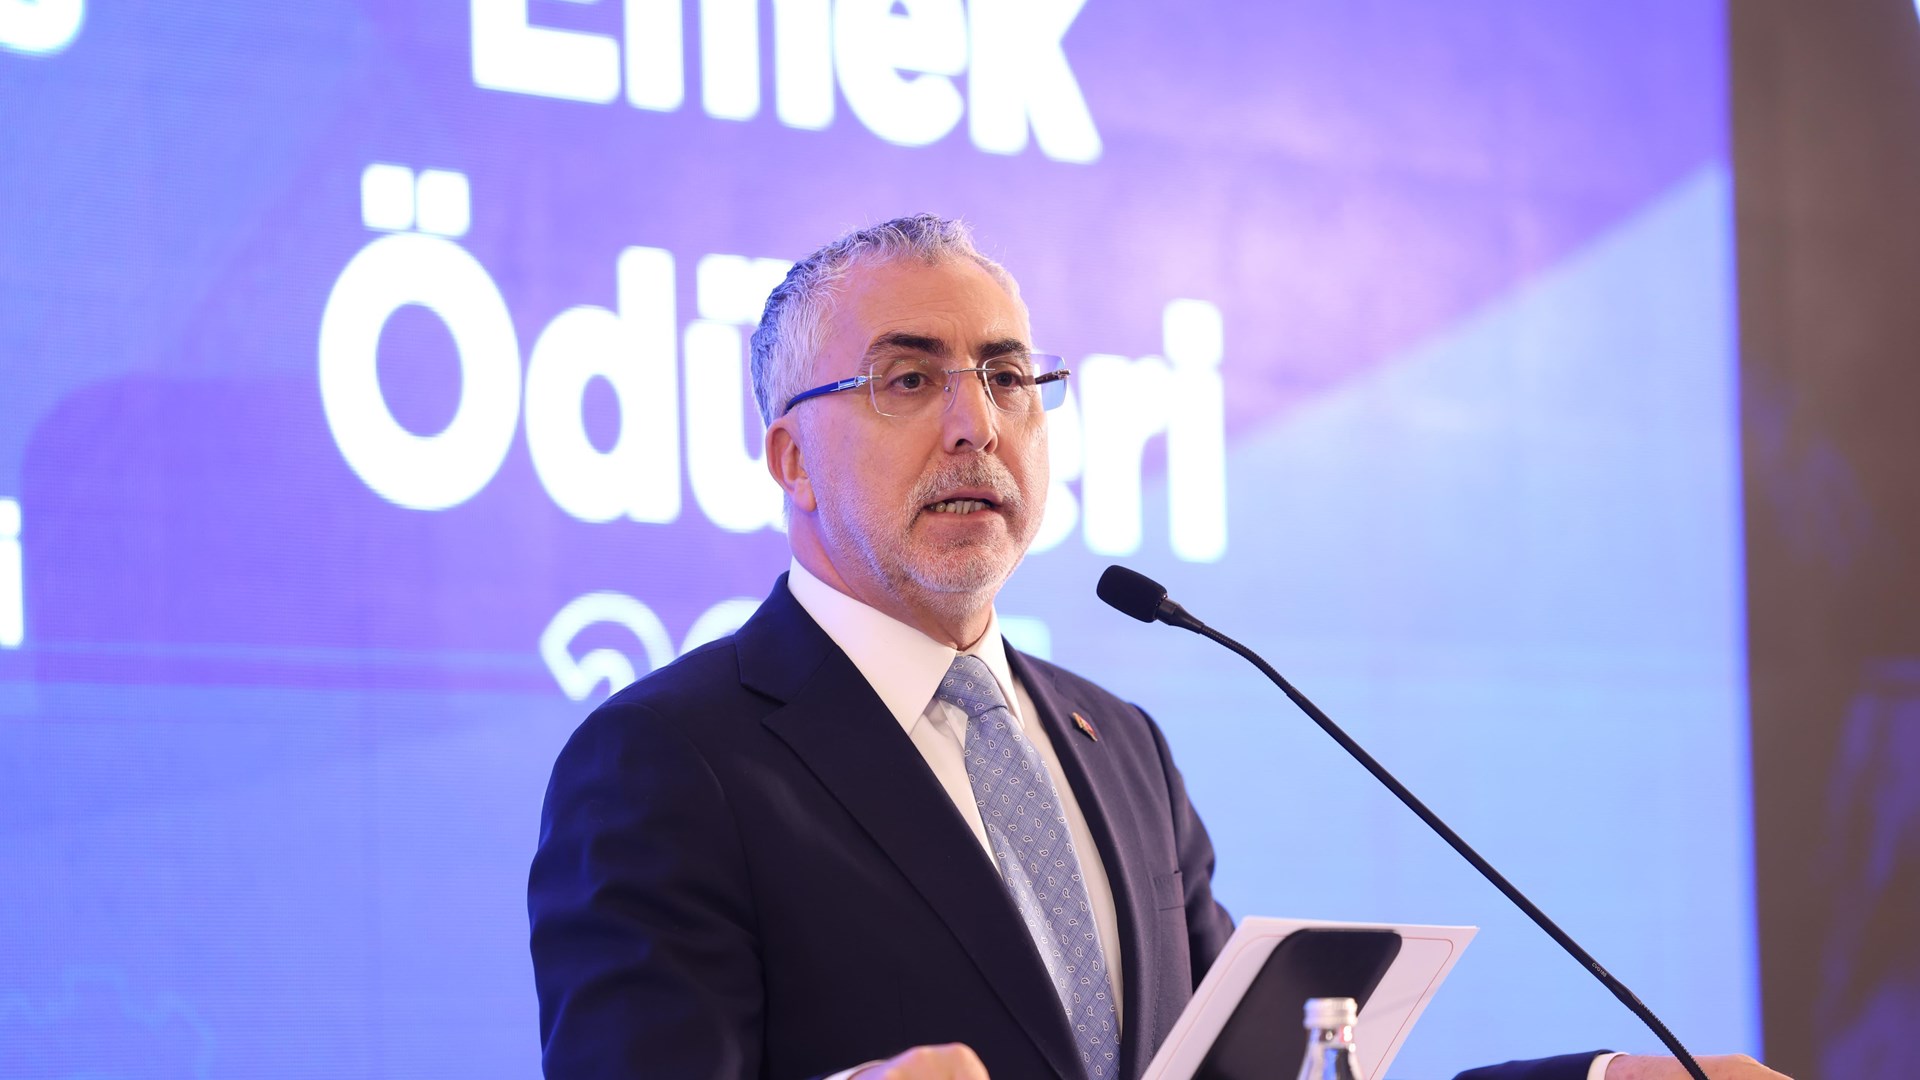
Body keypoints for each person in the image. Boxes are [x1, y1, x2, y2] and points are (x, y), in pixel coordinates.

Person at [527, 215, 1788, 1080]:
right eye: (909, 380)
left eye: (1008, 376)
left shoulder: (1116, 743)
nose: (976, 425)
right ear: (791, 460)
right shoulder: (668, 762)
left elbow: (1252, 1075)